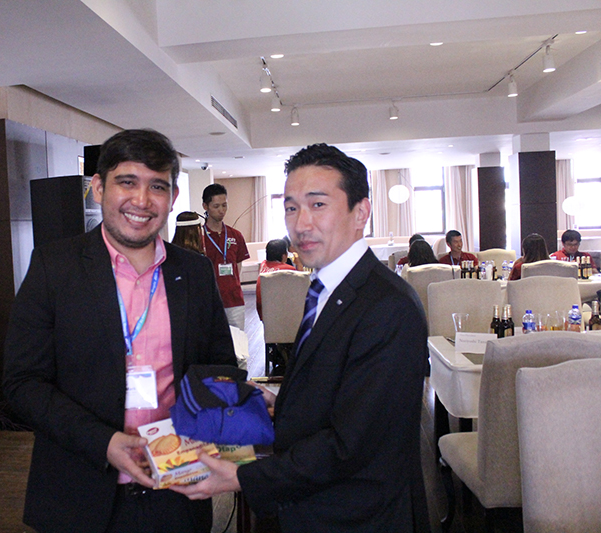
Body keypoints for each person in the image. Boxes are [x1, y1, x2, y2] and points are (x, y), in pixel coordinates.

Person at [172, 143, 431, 532]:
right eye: (291, 208)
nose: (301, 223)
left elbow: (351, 445)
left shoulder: (388, 307)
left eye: (318, 205)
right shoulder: (325, 288)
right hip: (316, 505)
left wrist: (240, 477)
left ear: (361, 212)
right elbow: (343, 394)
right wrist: (285, 403)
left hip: (356, 516)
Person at [3, 129, 237, 533]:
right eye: (127, 182)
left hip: (177, 488)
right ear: (98, 188)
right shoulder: (53, 267)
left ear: (173, 198)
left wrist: (237, 411)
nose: (142, 200)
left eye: (157, 186)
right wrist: (104, 442)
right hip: (80, 492)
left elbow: (220, 367)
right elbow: (22, 383)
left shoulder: (194, 272)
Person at [202, 183, 250, 330]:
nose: (221, 210)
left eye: (224, 205)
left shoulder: (235, 235)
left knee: (238, 341)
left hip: (234, 300)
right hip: (208, 302)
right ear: (205, 206)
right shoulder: (199, 237)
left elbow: (238, 265)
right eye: (216, 206)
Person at [256, 238, 298, 321]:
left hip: (263, 312)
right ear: (284, 255)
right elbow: (302, 285)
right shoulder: (287, 269)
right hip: (280, 314)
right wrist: (299, 264)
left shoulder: (263, 264)